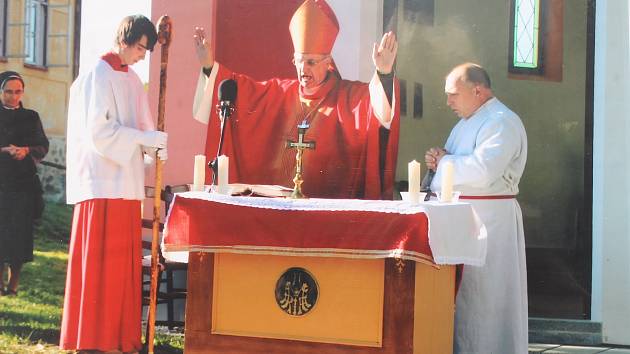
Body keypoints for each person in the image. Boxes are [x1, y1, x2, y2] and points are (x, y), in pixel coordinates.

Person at [192, 0, 400, 199]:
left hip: (325, 216)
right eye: (299, 61)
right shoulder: (280, 93)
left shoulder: (348, 98)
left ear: (327, 62)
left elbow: (376, 111)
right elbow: (241, 94)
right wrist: (210, 67)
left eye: (311, 62)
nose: (303, 69)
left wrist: (384, 73)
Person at [60, 15, 168, 353]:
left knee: (121, 266)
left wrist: (154, 144)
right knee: (100, 265)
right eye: (139, 48)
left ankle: (119, 337)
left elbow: (143, 126)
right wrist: (143, 138)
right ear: (124, 39)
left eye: (147, 50)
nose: (142, 55)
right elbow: (100, 134)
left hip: (125, 184)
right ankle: (92, 338)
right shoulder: (97, 75)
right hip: (103, 183)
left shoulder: (132, 80)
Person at [425, 63, 528, 354]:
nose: (448, 102)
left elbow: (484, 172)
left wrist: (444, 162)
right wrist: (439, 160)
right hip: (466, 222)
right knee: (467, 302)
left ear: (478, 91)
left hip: (491, 224)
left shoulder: (501, 121)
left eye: (453, 95)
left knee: (488, 301)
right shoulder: (466, 123)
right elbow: (452, 165)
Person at [0, 71, 49, 297]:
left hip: (22, 185)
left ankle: (13, 286)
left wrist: (26, 150)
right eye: (8, 91)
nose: (13, 96)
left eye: (18, 91)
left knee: (20, 236)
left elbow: (42, 145)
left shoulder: (31, 116)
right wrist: (5, 150)